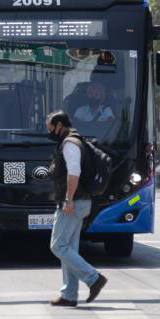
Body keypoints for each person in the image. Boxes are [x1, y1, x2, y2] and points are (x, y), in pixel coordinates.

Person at [45, 110, 108, 307]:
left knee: (58, 246)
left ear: (60, 125)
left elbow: (74, 173)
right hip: (80, 201)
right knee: (69, 248)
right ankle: (69, 295)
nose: (49, 132)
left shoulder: (70, 144)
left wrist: (68, 199)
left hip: (74, 202)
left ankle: (93, 278)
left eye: (51, 128)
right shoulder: (74, 140)